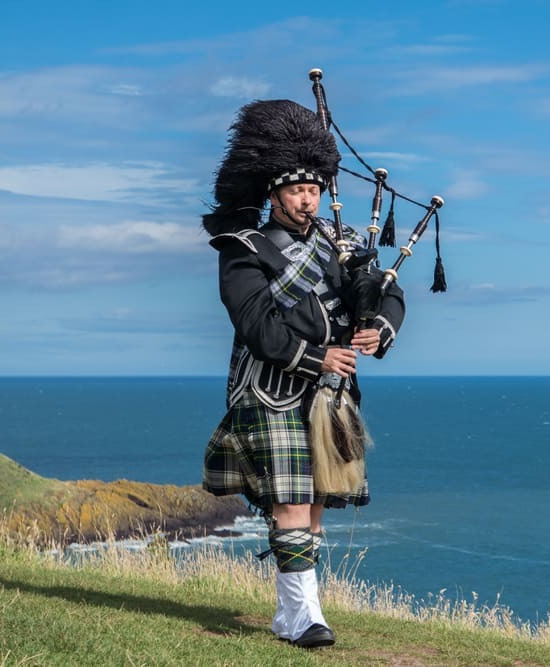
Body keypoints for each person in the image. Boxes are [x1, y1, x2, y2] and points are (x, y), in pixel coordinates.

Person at [200, 99, 405, 649]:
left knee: (314, 504)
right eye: (295, 190)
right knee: (291, 501)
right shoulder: (243, 250)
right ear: (272, 194)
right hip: (270, 391)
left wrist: (378, 328)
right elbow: (255, 325)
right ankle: (303, 617)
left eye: (314, 189)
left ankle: (295, 613)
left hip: (330, 396)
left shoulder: (343, 249)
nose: (307, 199)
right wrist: (320, 356)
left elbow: (390, 294)